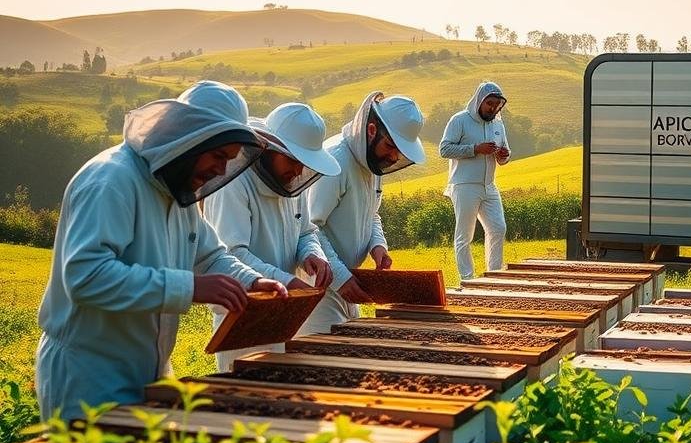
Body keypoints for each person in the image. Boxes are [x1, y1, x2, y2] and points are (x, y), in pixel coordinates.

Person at [35, 97, 287, 420]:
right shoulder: (110, 181)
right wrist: (188, 287)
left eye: (230, 159)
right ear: (192, 138)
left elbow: (210, 257)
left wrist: (252, 280)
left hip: (146, 372)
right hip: (88, 374)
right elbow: (87, 277)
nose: (221, 170)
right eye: (218, 155)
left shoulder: (177, 191)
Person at [203, 102, 342, 371]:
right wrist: (287, 281)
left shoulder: (293, 184)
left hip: (283, 314)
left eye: (303, 163)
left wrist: (312, 254)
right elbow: (231, 254)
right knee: (244, 398)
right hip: (243, 314)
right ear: (268, 149)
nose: (299, 171)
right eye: (292, 161)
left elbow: (306, 231)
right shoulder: (233, 182)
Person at [308, 91, 426, 314]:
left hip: (349, 280)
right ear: (372, 130)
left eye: (399, 151)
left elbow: (372, 214)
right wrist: (340, 277)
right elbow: (309, 228)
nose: (394, 157)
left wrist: (377, 246)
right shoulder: (336, 162)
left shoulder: (373, 161)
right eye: (391, 146)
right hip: (318, 285)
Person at [439, 81, 511, 280]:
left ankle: (494, 276)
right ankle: (467, 279)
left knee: (498, 228)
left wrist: (504, 155)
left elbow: (504, 156)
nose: (493, 108)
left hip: (489, 185)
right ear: (479, 100)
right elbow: (444, 149)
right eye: (490, 103)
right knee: (465, 235)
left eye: (497, 104)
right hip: (464, 186)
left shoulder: (498, 124)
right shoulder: (459, 120)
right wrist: (475, 149)